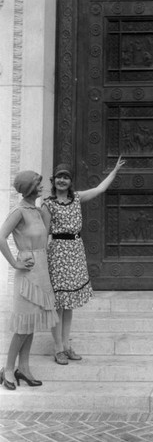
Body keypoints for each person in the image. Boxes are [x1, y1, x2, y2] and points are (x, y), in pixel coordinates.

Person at [41, 157, 125, 365]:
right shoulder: (48, 204)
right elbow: (44, 234)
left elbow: (99, 189)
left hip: (75, 251)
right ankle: (57, 348)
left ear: (70, 182)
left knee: (69, 304)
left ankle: (67, 346)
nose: (62, 181)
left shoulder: (77, 198)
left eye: (66, 178)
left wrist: (114, 171)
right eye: (59, 177)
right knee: (58, 303)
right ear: (53, 181)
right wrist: (42, 261)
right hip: (58, 253)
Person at [0, 170, 59, 390]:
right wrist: (14, 263)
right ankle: (7, 368)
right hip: (27, 270)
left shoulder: (36, 210)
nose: (42, 186)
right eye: (38, 183)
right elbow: (0, 237)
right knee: (23, 324)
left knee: (31, 322)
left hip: (41, 269)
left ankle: (23, 368)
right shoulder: (19, 211)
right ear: (29, 188)